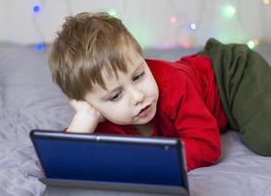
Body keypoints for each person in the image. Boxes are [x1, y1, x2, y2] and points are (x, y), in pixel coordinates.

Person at [48, 12, 271, 171]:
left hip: (229, 75)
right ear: (89, 104)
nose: (138, 96)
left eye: (138, 75)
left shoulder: (174, 83)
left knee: (265, 139)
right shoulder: (99, 118)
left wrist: (148, 160)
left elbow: (207, 146)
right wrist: (84, 119)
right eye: (116, 96)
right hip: (206, 90)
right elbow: (61, 163)